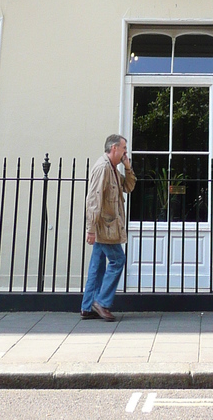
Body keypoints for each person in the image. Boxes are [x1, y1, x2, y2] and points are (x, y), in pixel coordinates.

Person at [80, 133, 136, 321]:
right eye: (123, 149)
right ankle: (102, 302)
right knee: (118, 260)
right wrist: (91, 229)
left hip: (106, 227)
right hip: (104, 227)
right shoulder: (103, 168)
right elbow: (93, 200)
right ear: (114, 148)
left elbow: (128, 187)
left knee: (97, 266)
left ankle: (87, 306)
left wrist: (128, 168)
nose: (125, 153)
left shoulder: (113, 169)